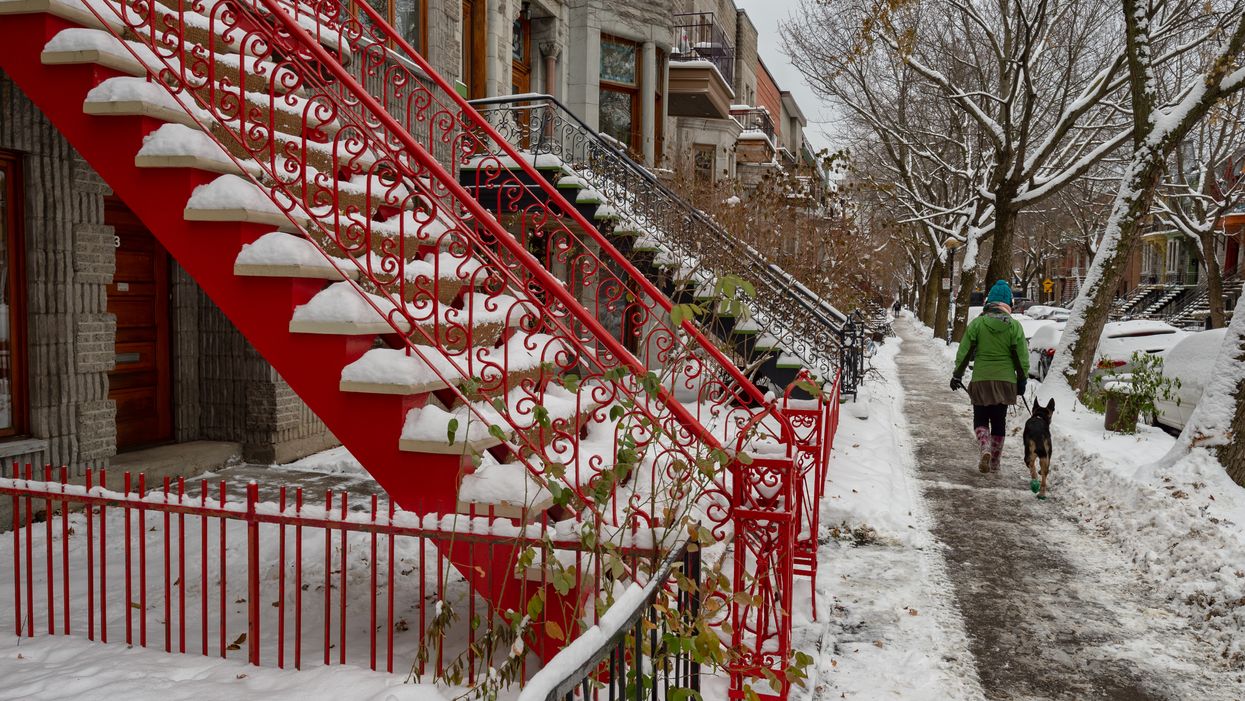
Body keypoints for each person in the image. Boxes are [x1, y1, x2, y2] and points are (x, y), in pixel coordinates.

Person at [950, 280, 1029, 473]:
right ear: (1008, 303)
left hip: (982, 379)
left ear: (989, 300)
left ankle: (984, 445)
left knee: (981, 418)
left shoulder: (978, 324)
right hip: (1005, 381)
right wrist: (1022, 380)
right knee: (999, 420)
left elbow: (964, 351)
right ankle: (995, 461)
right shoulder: (1015, 326)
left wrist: (957, 375)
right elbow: (1022, 357)